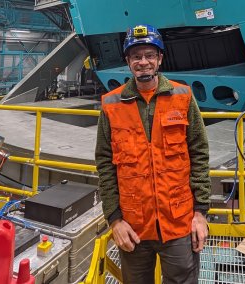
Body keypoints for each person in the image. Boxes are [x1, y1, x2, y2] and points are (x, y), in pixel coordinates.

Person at [95, 24, 211, 284]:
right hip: (134, 225)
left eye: (149, 55)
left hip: (179, 223)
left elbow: (199, 153)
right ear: (128, 62)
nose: (143, 62)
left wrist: (201, 213)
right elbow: (104, 163)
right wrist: (114, 220)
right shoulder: (112, 104)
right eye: (136, 57)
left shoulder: (182, 97)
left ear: (160, 58)